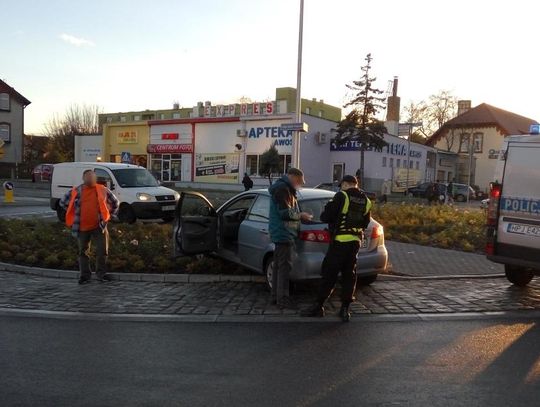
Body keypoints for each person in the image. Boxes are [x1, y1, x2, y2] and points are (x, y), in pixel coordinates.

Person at [302, 175, 372, 322]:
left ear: (345, 184)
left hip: (340, 242)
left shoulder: (342, 196)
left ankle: (318, 306)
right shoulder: (366, 200)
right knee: (349, 275)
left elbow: (325, 217)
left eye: (342, 186)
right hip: (355, 243)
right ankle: (345, 309)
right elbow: (365, 223)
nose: (341, 188)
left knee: (329, 274)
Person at [60, 169, 119, 284]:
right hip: (81, 227)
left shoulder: (102, 190)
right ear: (83, 178)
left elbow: (115, 203)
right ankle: (85, 276)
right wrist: (73, 211)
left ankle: (101, 274)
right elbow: (63, 202)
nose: (90, 179)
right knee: (83, 252)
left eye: (92, 177)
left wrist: (109, 215)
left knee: (102, 251)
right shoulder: (76, 191)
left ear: (95, 179)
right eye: (88, 177)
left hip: (99, 226)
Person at [268, 168, 312, 309]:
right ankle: (283, 299)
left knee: (278, 267)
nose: (299, 184)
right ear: (292, 177)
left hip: (282, 232)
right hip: (283, 233)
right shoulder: (283, 189)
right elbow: (285, 213)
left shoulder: (284, 189)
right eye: (298, 181)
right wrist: (301, 215)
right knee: (284, 268)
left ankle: (275, 297)